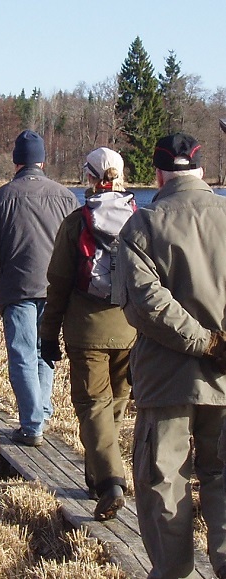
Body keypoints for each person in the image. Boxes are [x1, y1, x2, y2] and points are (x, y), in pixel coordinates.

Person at [117, 132, 226, 578]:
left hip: (167, 382)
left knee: (165, 486)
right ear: (203, 170)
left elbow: (146, 304)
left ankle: (173, 573)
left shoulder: (141, 226)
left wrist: (204, 341)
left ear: (159, 173)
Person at [38, 147, 136, 521]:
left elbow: (59, 283)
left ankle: (110, 480)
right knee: (115, 402)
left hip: (85, 329)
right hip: (129, 328)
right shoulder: (140, 219)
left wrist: (48, 333)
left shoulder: (78, 222)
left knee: (92, 405)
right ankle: (97, 475)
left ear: (91, 178)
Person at [0, 130, 78, 447]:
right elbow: (79, 244)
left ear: (17, 162)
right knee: (44, 353)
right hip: (57, 289)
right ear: (42, 160)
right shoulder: (66, 197)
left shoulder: (2, 197)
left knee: (22, 356)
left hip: (17, 287)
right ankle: (41, 415)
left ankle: (32, 425)